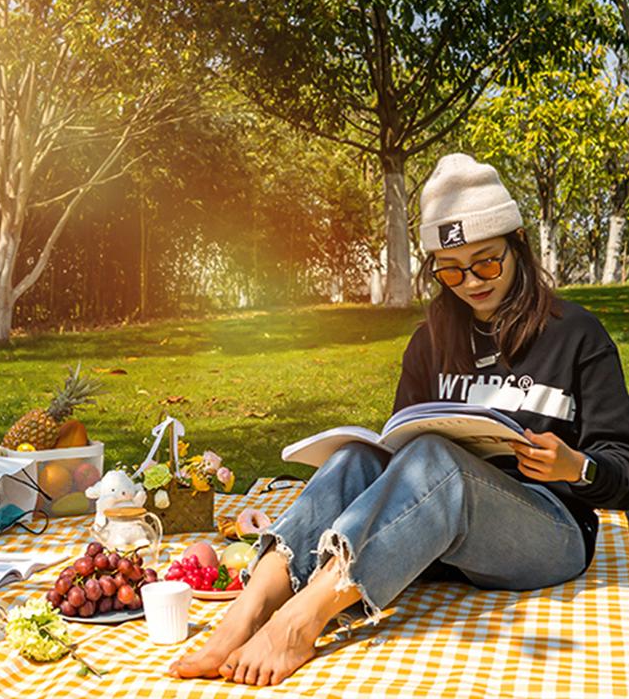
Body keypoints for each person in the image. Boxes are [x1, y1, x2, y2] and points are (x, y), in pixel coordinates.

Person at [169, 153, 629, 686]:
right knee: (355, 458)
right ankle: (246, 613)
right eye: (450, 269)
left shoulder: (577, 335)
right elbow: (399, 457)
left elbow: (623, 470)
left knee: (438, 461)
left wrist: (577, 467)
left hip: (549, 533)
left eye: (486, 262)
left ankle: (301, 620)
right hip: (446, 544)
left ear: (518, 243)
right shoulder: (430, 342)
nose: (470, 282)